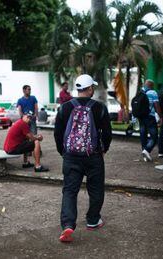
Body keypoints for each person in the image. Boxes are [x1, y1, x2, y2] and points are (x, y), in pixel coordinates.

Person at [54, 74, 112, 242]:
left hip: (71, 156)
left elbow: (58, 133)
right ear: (90, 89)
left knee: (70, 191)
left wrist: (62, 151)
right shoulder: (100, 108)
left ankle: (68, 225)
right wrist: (104, 149)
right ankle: (93, 220)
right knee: (96, 189)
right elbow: (107, 133)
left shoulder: (64, 108)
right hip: (93, 155)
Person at [138, 79, 162, 162]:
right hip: (150, 117)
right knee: (154, 136)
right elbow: (156, 105)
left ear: (145, 85)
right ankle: (147, 150)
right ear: (152, 86)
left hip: (141, 117)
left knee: (143, 135)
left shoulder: (140, 92)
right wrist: (160, 117)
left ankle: (145, 154)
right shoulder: (153, 92)